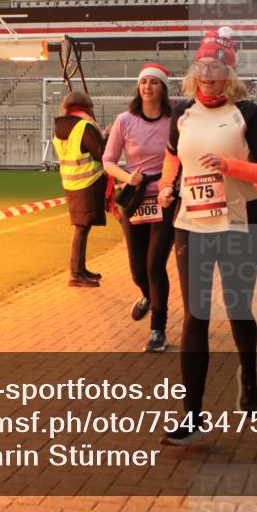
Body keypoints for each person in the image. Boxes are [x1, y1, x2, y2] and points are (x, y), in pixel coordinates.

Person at [157, 27, 257, 446]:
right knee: (195, 315)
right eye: (202, 66)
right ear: (194, 72)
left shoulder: (248, 113)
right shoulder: (182, 114)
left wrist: (231, 167)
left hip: (239, 225)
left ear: (230, 72)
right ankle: (192, 416)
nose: (208, 75)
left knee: (238, 309)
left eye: (216, 67)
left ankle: (248, 377)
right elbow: (172, 155)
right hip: (190, 226)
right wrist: (165, 185)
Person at [103, 63, 177, 352]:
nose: (147, 87)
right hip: (135, 197)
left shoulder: (173, 121)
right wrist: (126, 176)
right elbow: (108, 160)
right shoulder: (124, 120)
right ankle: (146, 294)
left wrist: (171, 185)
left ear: (163, 88)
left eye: (154, 83)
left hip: (165, 197)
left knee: (155, 263)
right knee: (137, 269)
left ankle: (158, 329)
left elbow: (181, 155)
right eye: (144, 82)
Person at [53, 90, 107, 288]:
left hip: (71, 182)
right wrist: (107, 136)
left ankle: (80, 269)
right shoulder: (84, 125)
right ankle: (76, 273)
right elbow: (100, 152)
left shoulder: (61, 127)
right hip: (88, 182)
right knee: (81, 229)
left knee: (81, 228)